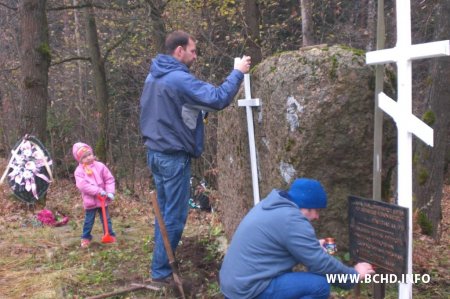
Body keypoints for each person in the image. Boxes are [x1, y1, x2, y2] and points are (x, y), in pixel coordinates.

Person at [139, 30, 251, 283]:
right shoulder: (179, 79)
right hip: (172, 157)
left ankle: (161, 265)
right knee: (175, 215)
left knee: (165, 212)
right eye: (192, 50)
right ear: (179, 51)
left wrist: (196, 118)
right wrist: (238, 72)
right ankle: (161, 272)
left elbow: (170, 113)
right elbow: (219, 98)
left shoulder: (153, 76)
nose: (195, 56)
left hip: (155, 153)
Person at [220, 178, 375, 299]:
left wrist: (312, 246)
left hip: (235, 286)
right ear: (305, 207)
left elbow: (281, 243)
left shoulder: (272, 206)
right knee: (319, 286)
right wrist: (353, 275)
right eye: (316, 211)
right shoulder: (292, 219)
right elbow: (319, 263)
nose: (317, 217)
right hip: (249, 291)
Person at [72, 142, 116, 248]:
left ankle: (109, 234)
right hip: (90, 201)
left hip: (103, 199)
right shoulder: (79, 171)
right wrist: (97, 191)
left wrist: (110, 192)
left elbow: (109, 179)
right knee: (89, 220)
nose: (88, 158)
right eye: (84, 157)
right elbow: (83, 186)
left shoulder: (100, 166)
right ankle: (86, 237)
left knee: (106, 219)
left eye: (89, 154)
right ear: (79, 159)